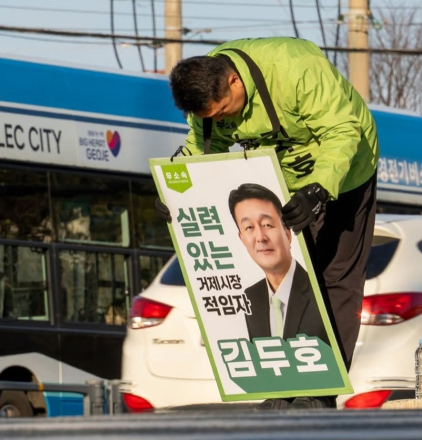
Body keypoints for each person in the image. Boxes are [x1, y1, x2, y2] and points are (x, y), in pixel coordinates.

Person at [164, 37, 378, 409]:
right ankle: (283, 385)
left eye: (224, 113)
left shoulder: (295, 69)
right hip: (284, 180)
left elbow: (343, 132)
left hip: (347, 170)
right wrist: (176, 194)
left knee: (333, 277)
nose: (222, 122)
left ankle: (319, 391)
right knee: (288, 278)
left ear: (233, 80)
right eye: (211, 118)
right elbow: (200, 150)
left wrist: (318, 190)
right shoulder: (208, 95)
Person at [229, 183, 329, 346]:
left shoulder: (320, 290)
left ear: (287, 234)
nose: (260, 237)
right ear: (241, 239)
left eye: (267, 225)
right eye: (249, 227)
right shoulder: (250, 297)